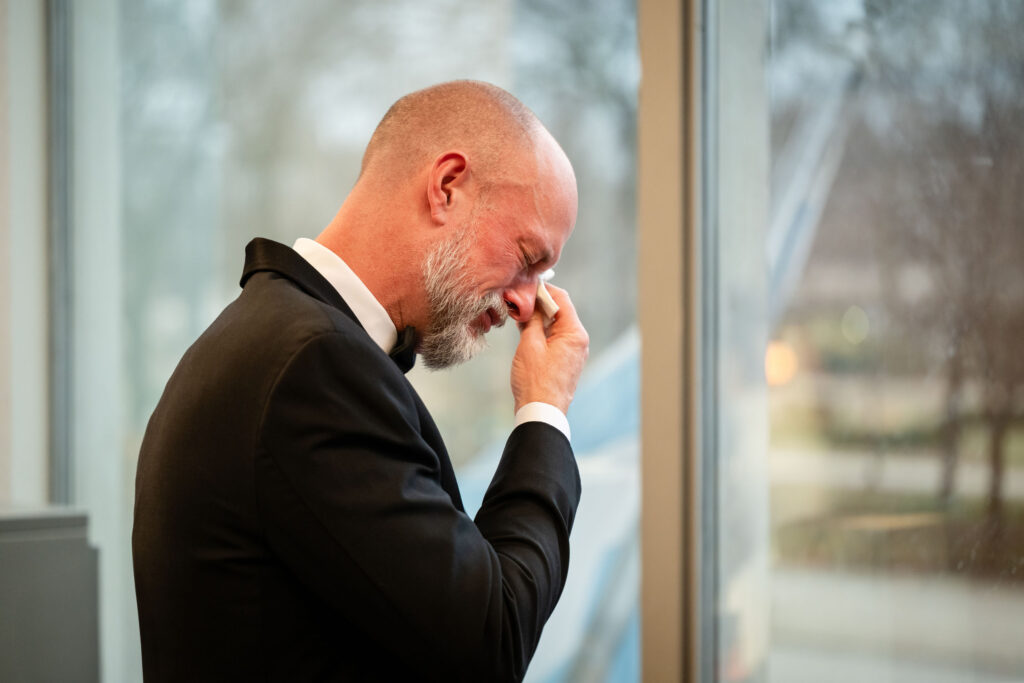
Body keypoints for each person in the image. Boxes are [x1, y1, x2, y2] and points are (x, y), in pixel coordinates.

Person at [132, 80, 589, 682]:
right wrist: (544, 409)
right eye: (528, 257)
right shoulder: (315, 368)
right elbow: (491, 640)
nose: (527, 303)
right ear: (446, 186)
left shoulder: (276, 336)